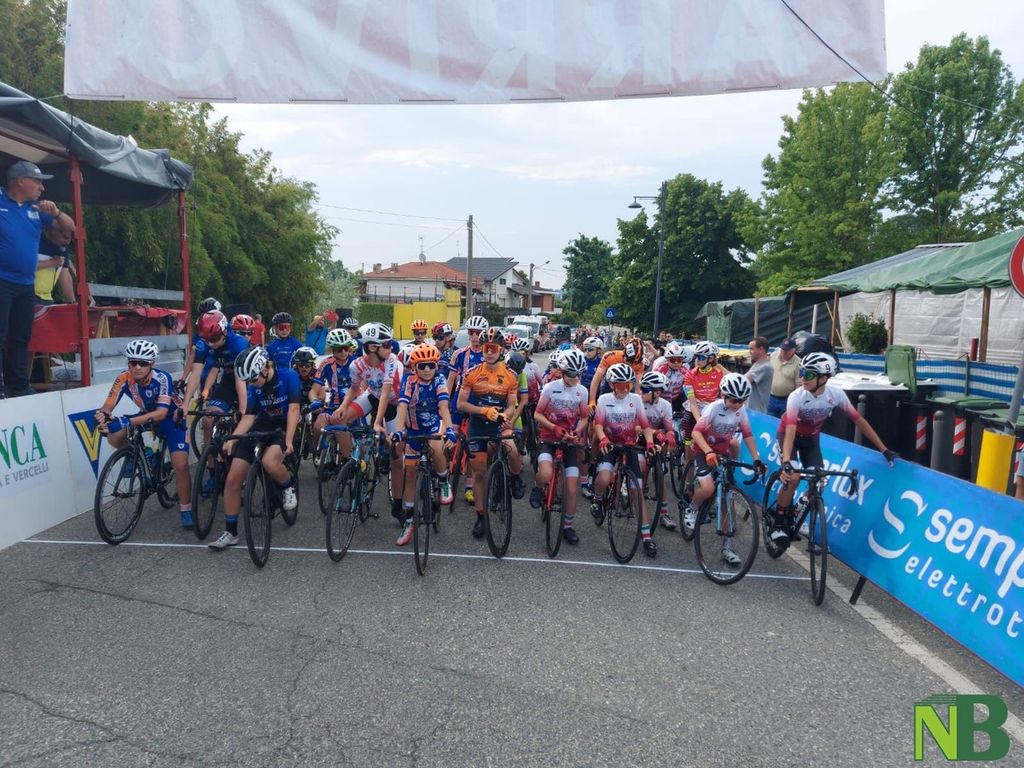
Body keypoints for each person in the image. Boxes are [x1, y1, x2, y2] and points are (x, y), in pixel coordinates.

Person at [770, 352, 895, 546]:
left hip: (811, 439)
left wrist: (884, 449)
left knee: (819, 481)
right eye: (802, 372)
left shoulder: (835, 395)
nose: (803, 378)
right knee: (793, 477)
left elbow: (859, 421)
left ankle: (800, 507)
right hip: (788, 436)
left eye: (809, 375)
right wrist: (786, 461)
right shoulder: (797, 396)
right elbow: (791, 431)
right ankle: (778, 524)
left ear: (823, 378)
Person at [95, 340, 194, 529]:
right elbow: (108, 405)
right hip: (147, 415)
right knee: (114, 435)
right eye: (133, 362)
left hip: (171, 418)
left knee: (180, 465)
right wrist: (102, 416)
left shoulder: (162, 378)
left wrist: (126, 421)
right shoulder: (123, 378)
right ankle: (140, 454)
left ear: (152, 364)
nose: (137, 367)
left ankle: (186, 508)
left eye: (143, 363)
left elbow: (161, 413)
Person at [209, 346, 300, 550]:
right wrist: (234, 439)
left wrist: (289, 440)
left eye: (252, 379)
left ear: (265, 369)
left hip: (284, 426)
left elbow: (294, 409)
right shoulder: (254, 385)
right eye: (248, 381)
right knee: (233, 479)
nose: (251, 384)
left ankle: (287, 485)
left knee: (269, 461)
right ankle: (230, 532)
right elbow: (249, 416)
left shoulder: (288, 376)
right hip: (262, 425)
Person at [0, 160, 75, 397]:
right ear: (20, 181)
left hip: (25, 284)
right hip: (2, 280)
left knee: (22, 336)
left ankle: (19, 386)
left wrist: (57, 212)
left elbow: (70, 227)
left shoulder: (37, 209)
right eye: (38, 182)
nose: (42, 188)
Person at [682, 373, 767, 564]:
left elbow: (747, 435)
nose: (738, 404)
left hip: (723, 451)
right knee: (708, 488)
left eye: (741, 401)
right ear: (724, 395)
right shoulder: (713, 408)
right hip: (703, 450)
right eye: (734, 400)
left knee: (726, 500)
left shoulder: (740, 411)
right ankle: (692, 508)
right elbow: (696, 433)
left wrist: (756, 459)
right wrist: (708, 452)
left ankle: (727, 546)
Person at [457, 327, 526, 539]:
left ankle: (514, 478)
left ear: (501, 349)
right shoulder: (472, 374)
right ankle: (480, 516)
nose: (489, 352)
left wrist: (502, 416)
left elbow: (512, 406)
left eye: (493, 348)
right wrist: (484, 411)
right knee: (478, 472)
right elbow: (460, 404)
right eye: (486, 348)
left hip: (499, 423)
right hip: (478, 425)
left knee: (513, 451)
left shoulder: (511, 375)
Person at [390, 344, 455, 546]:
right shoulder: (409, 380)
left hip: (434, 425)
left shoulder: (440, 379)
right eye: (421, 366)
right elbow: (401, 406)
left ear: (436, 366)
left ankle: (444, 481)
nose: (427, 369)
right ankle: (409, 520)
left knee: (436, 448)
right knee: (409, 472)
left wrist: (450, 428)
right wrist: (398, 431)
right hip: (414, 428)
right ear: (414, 367)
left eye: (431, 365)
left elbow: (444, 407)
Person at [591, 362, 658, 556]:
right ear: (612, 385)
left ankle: (647, 537)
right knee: (604, 478)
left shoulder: (636, 400)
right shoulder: (604, 399)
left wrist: (650, 442)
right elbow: (599, 425)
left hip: (629, 446)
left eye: (628, 384)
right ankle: (597, 499)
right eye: (620, 385)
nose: (624, 388)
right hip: (611, 444)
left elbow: (645, 425)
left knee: (637, 492)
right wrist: (603, 438)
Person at [530, 348, 590, 544]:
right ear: (563, 372)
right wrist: (553, 427)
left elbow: (583, 418)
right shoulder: (550, 388)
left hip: (569, 441)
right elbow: (537, 415)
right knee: (546, 473)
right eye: (572, 374)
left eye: (579, 374)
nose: (576, 378)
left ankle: (568, 527)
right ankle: (538, 487)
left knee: (571, 489)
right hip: (549, 437)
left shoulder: (582, 391)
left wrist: (576, 432)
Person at [447, 315, 489, 504]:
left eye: (478, 333)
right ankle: (444, 474)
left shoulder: (490, 355)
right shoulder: (459, 354)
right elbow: (450, 383)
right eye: (471, 332)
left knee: (474, 446)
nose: (474, 336)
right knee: (449, 440)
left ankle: (470, 485)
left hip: (478, 403)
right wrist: (444, 405)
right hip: (458, 401)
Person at [639, 370, 678, 532]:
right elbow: (635, 428)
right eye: (641, 388)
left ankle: (664, 512)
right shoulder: (637, 402)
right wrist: (656, 432)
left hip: (657, 441)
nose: (641, 393)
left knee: (659, 474)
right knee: (641, 470)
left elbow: (669, 428)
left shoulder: (665, 406)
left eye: (645, 390)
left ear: (657, 393)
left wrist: (670, 436)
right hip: (638, 439)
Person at [310, 328, 357, 460]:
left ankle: (346, 460)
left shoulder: (357, 362)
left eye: (346, 348)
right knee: (318, 425)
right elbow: (314, 389)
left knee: (340, 426)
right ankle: (319, 455)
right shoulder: (326, 363)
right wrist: (314, 400)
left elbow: (364, 387)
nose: (343, 352)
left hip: (353, 407)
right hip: (333, 406)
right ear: (332, 350)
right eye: (338, 349)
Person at [681, 341, 728, 459]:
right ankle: (688, 476)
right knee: (689, 454)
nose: (697, 360)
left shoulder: (719, 372)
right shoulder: (689, 375)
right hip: (695, 411)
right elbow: (692, 403)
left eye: (701, 357)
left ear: (711, 359)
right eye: (696, 356)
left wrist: (721, 368)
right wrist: (700, 422)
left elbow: (733, 382)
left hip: (712, 409)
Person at [35, 226, 76, 305]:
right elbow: (23, 266)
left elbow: (65, 275)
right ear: (55, 231)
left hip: (47, 298)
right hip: (27, 296)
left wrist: (72, 302)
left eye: (70, 240)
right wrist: (52, 263)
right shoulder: (34, 240)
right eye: (65, 237)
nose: (67, 242)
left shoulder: (62, 248)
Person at [768, 337, 801, 417]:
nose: (783, 352)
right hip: (771, 398)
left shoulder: (799, 363)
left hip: (787, 400)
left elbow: (799, 385)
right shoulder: (773, 356)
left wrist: (795, 403)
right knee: (770, 421)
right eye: (782, 349)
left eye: (787, 351)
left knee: (784, 424)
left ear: (793, 351)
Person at [745, 336, 772, 413]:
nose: (749, 351)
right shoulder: (757, 364)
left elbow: (741, 381)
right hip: (751, 411)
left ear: (761, 350)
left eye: (751, 349)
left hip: (756, 413)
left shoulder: (765, 367)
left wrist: (718, 366)